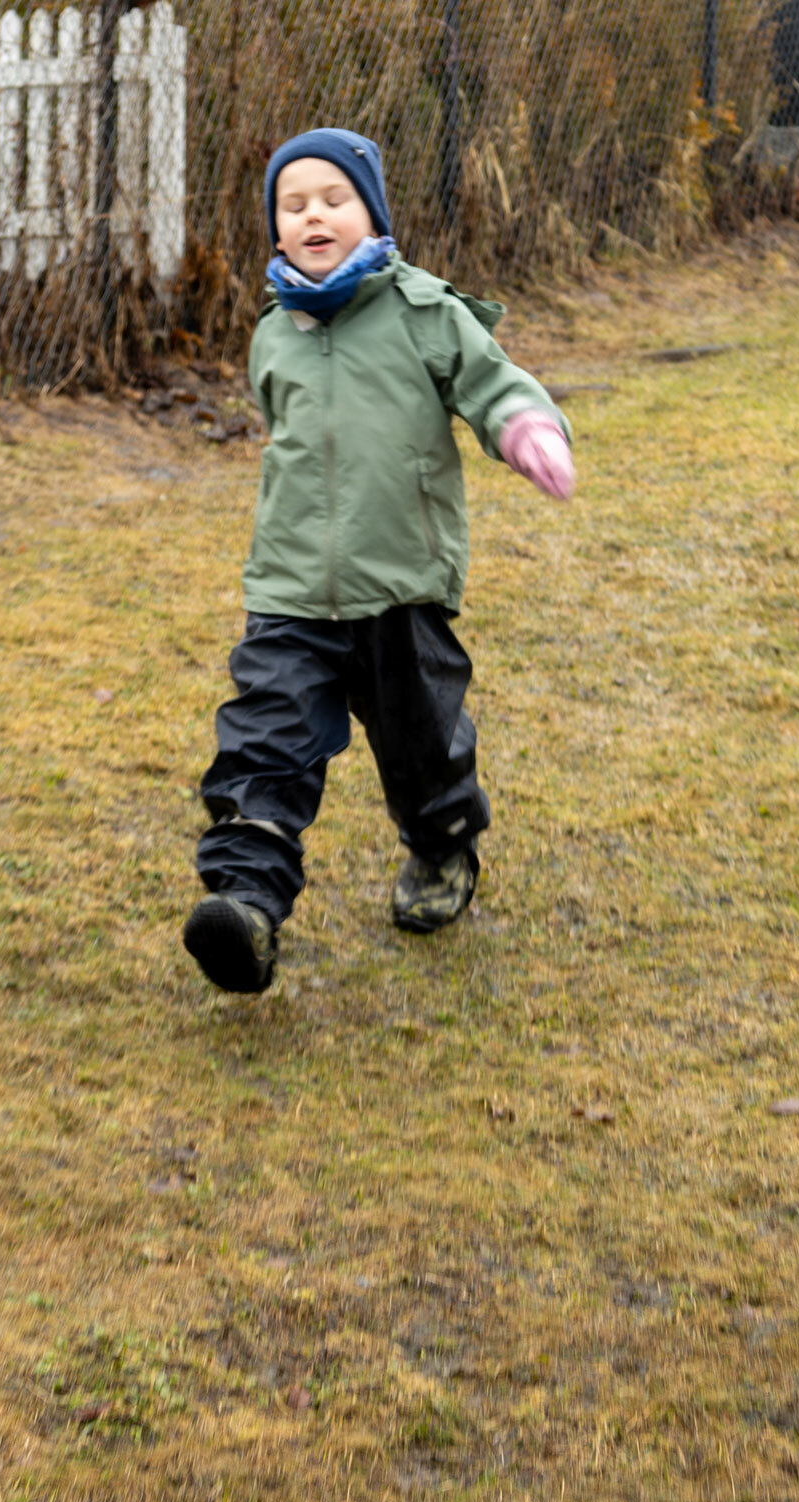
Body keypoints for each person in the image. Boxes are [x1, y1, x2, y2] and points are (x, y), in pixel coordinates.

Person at [182, 126, 575, 994]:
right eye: (293, 204)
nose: (313, 214)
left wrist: (524, 426)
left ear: (372, 213)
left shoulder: (423, 309)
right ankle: (245, 904)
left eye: (333, 199)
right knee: (262, 740)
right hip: (288, 589)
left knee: (420, 743)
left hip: (400, 581)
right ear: (275, 228)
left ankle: (440, 847)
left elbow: (493, 380)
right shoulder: (273, 333)